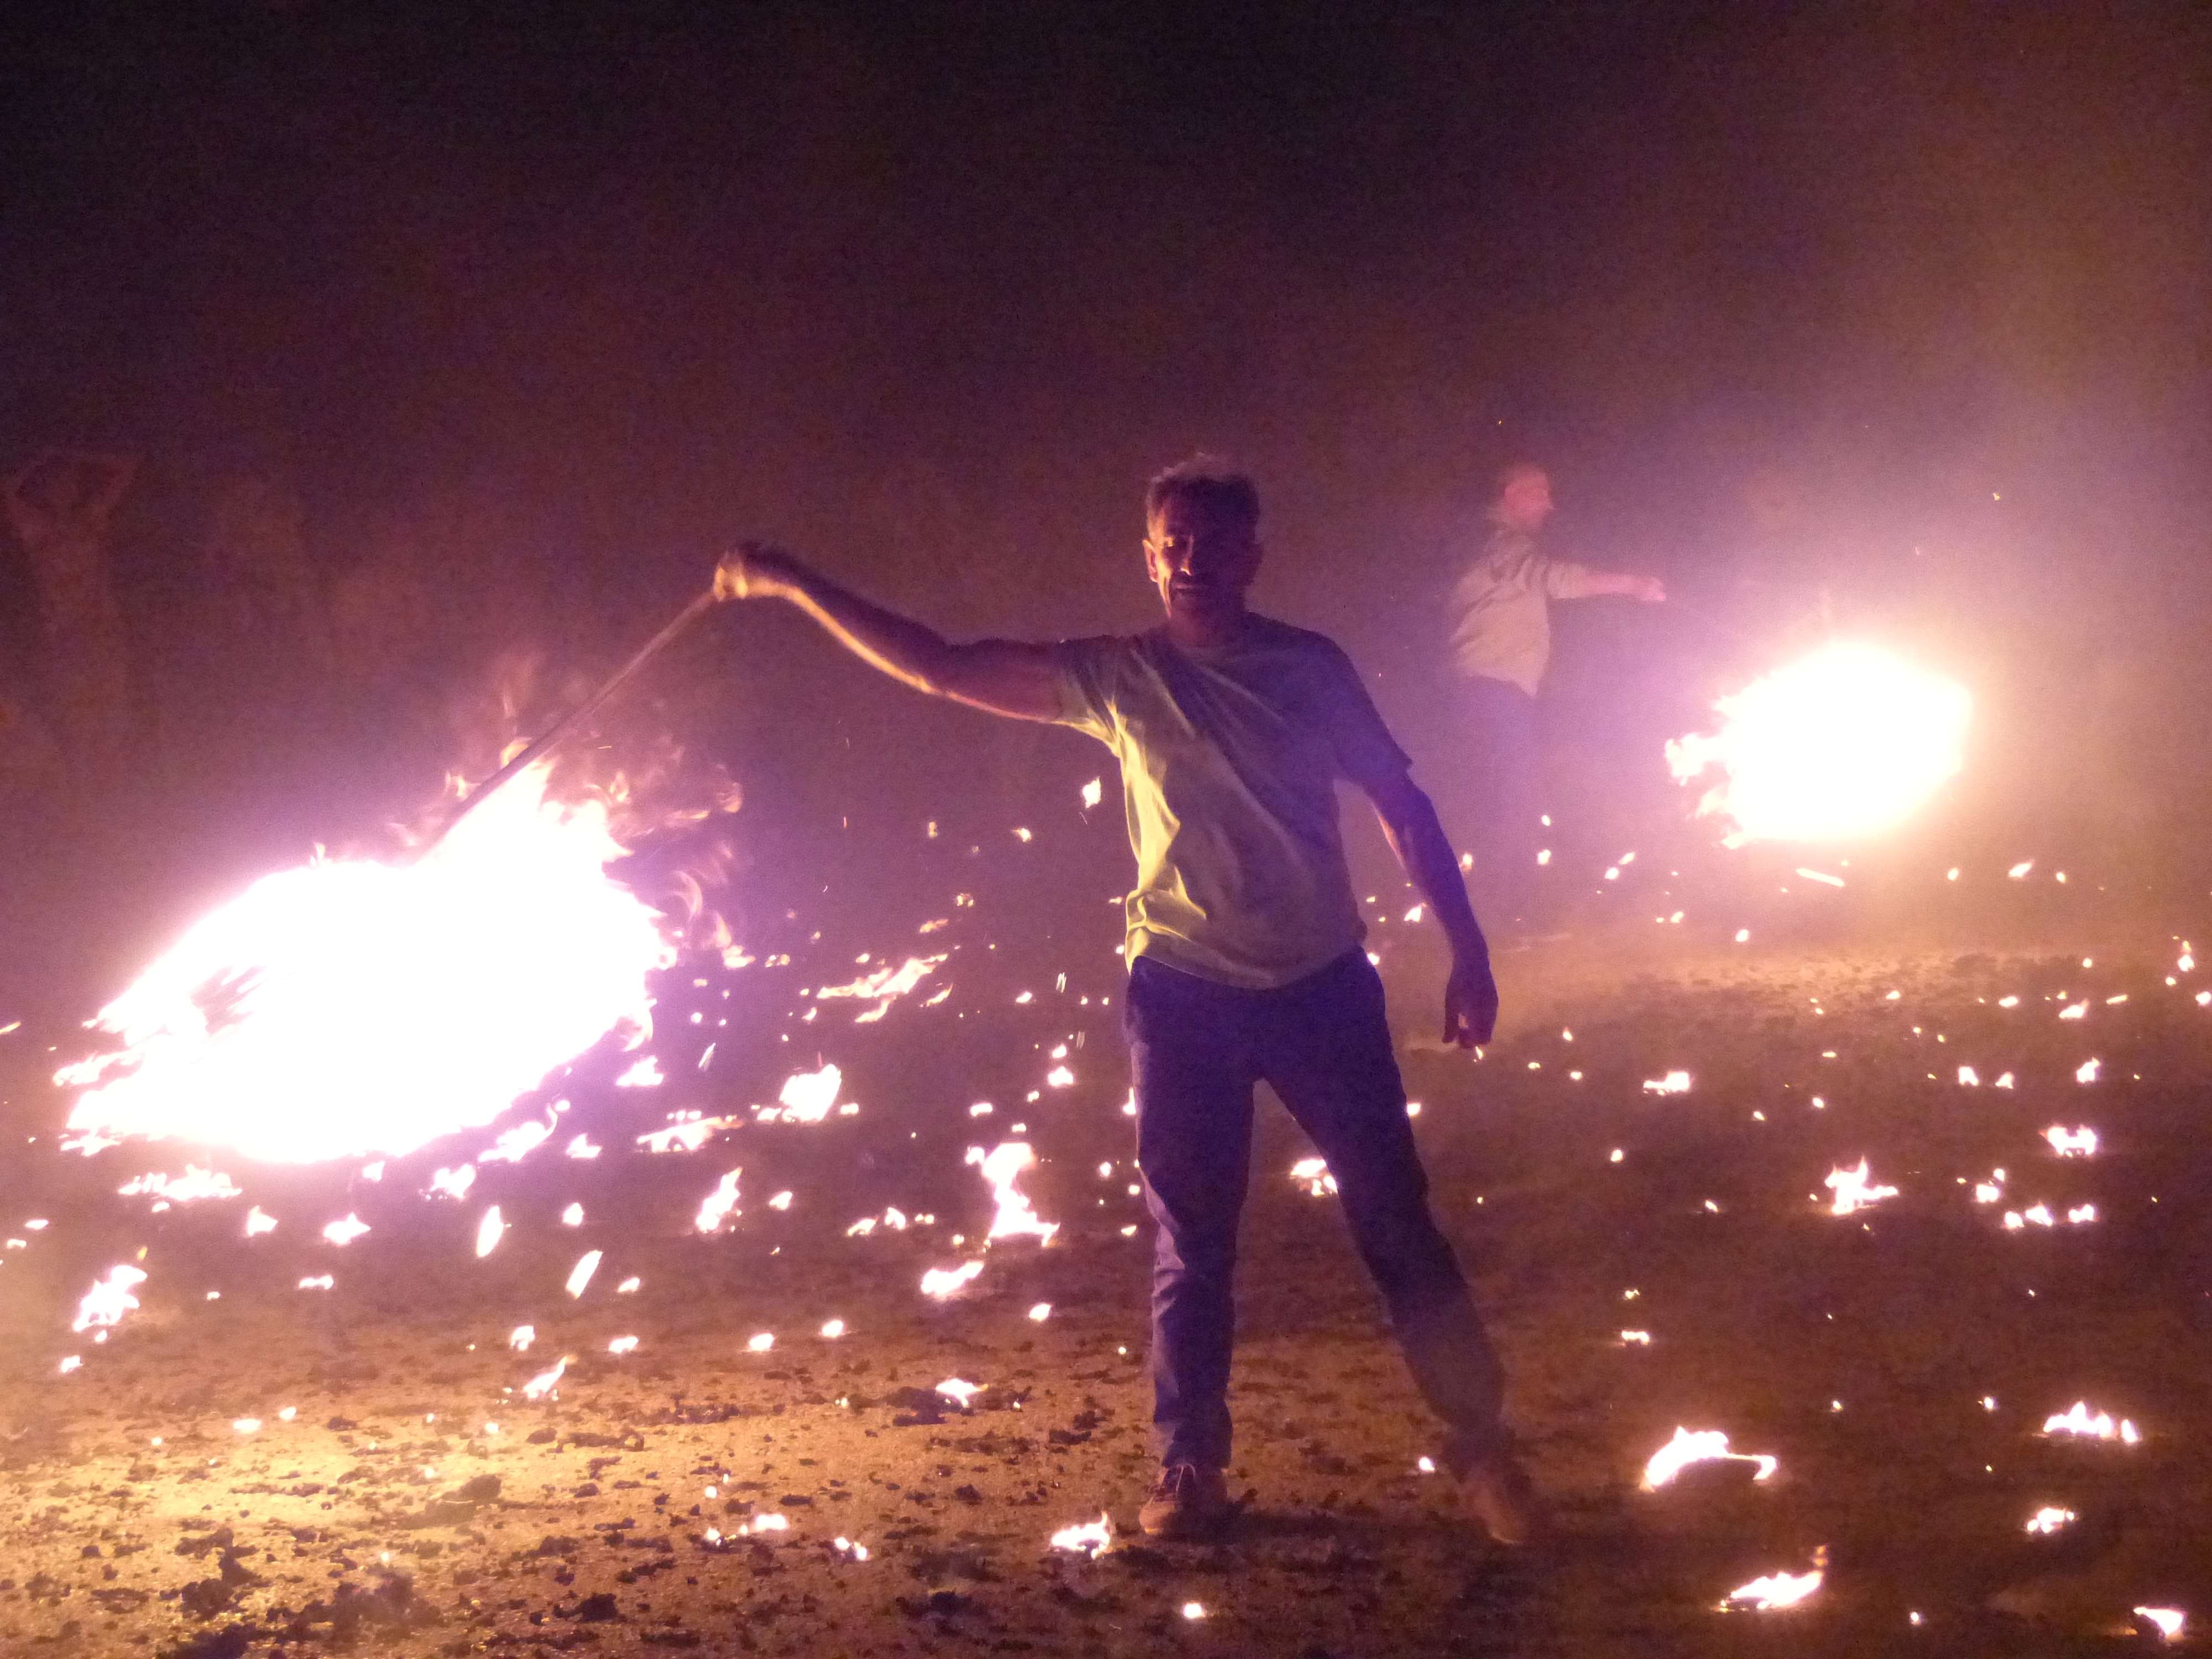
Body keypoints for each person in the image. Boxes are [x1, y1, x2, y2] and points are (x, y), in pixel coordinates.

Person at [714, 458, 1541, 1546]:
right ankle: (1189, 1465)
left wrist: (1466, 949)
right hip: (1184, 995)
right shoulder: (1118, 676)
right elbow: (942, 670)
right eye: (1171, 544)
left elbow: (1401, 803)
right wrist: (792, 584)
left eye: (1212, 543)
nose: (1191, 563)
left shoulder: (1308, 669)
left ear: (1252, 556)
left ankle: (1484, 1453)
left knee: (1393, 1222)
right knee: (1190, 1239)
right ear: (1148, 557)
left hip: (1320, 989)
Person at [1446, 463, 1665, 922]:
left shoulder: (1499, 547)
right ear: (1510, 495)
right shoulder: (1502, 545)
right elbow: (1556, 579)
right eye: (1539, 492)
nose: (1550, 503)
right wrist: (1632, 584)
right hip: (1493, 692)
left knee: (1508, 799)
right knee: (1512, 801)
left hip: (1499, 691)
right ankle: (1507, 917)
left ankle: (1496, 916)